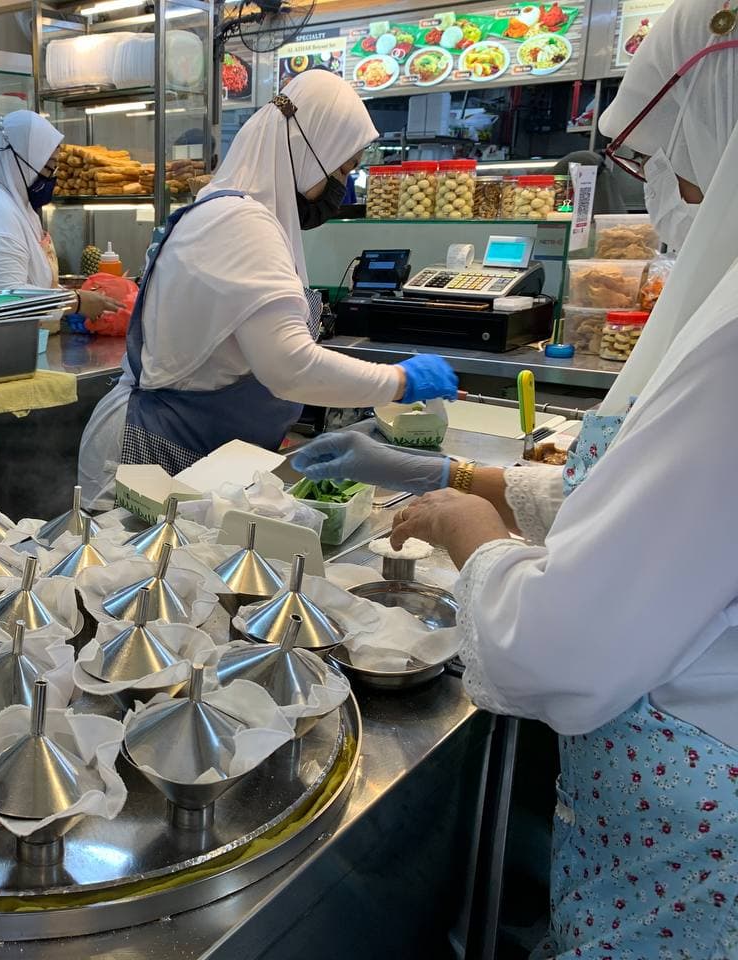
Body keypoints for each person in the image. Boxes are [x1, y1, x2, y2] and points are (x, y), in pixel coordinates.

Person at [295, 2, 738, 953]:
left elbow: (559, 642)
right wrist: (444, 466)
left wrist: (464, 522)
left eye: (668, 154)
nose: (664, 185)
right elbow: (649, 515)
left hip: (694, 861)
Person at [76, 69, 457, 510]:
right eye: (343, 167)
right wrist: (400, 380)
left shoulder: (237, 212)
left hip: (193, 450)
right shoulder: (241, 223)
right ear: (310, 150)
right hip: (155, 455)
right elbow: (289, 367)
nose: (343, 185)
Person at [0, 110, 120, 321]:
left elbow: (30, 280)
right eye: (48, 168)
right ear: (19, 161)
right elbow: (5, 298)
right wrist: (75, 302)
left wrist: (71, 296)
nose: (53, 177)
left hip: (21, 336)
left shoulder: (19, 206)